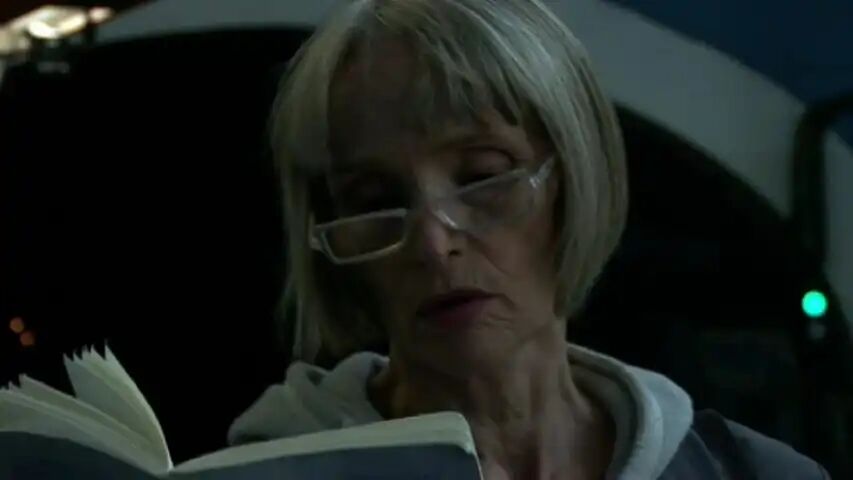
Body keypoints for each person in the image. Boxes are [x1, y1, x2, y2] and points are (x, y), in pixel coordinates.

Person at [228, 0, 830, 478]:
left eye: (481, 176)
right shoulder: (277, 470)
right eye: (374, 200)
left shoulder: (751, 472)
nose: (434, 244)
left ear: (575, 178)